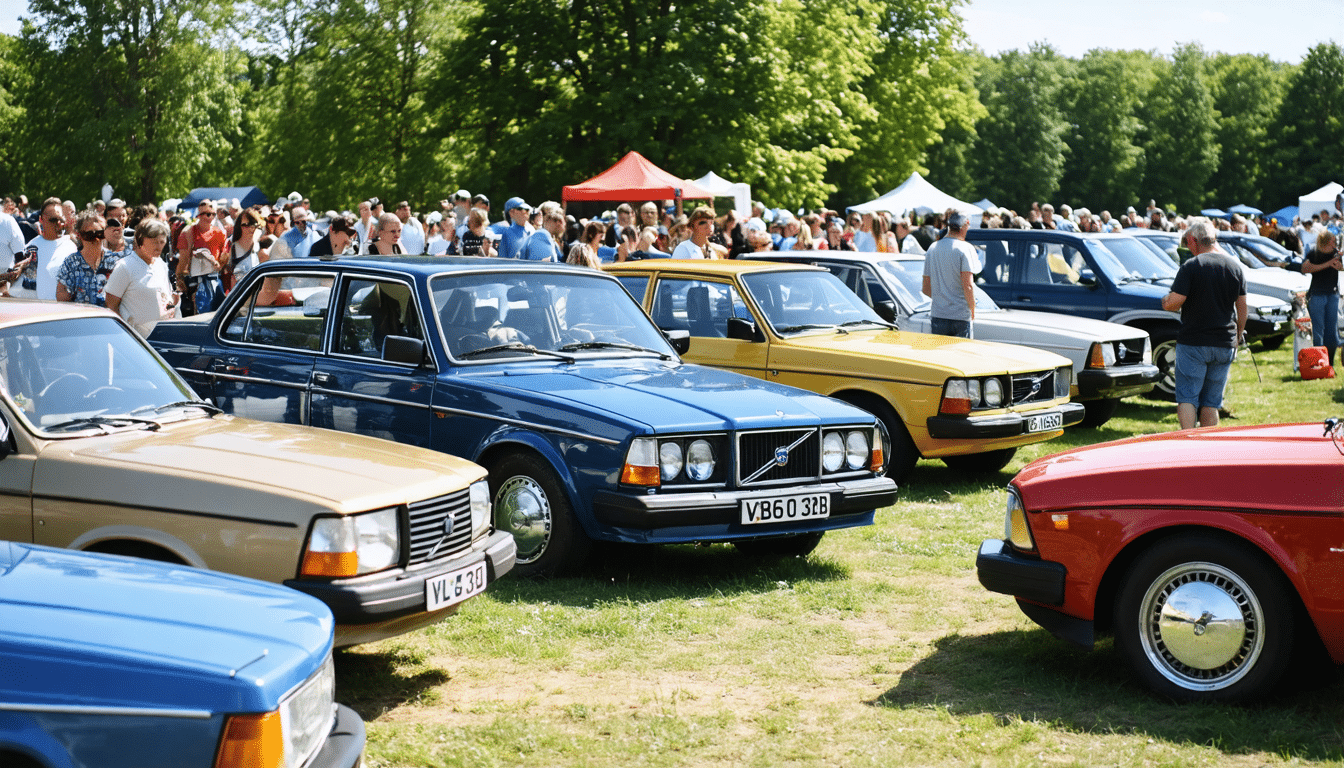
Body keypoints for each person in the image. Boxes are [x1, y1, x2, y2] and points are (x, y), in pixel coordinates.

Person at [1161, 218, 1247, 430]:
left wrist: (1164, 300)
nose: (1187, 248)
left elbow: (1174, 302)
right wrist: (1238, 335)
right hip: (1224, 342)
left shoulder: (1191, 266)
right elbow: (1242, 307)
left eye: (1187, 243)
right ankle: (1208, 445)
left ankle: (1189, 442)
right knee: (1211, 402)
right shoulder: (1234, 266)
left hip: (1194, 342)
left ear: (1193, 240)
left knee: (1188, 397)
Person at [106, 218, 179, 337]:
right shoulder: (125, 267)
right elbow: (111, 305)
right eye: (154, 242)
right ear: (140, 240)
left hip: (163, 335)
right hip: (138, 339)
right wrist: (127, 335)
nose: (159, 247)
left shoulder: (160, 263)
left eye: (162, 242)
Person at [921, 211, 977, 338]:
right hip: (960, 315)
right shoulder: (965, 248)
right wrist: (972, 308)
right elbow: (968, 285)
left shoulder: (932, 248)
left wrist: (941, 299)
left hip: (938, 314)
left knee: (940, 355)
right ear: (965, 225)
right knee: (960, 355)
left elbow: (925, 287)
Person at [12, 197, 77, 300]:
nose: (58, 224)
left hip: (61, 310)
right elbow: (19, 283)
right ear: (41, 220)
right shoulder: (31, 247)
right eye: (53, 220)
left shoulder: (71, 248)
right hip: (36, 310)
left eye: (60, 219)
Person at [56, 210, 122, 306]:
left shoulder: (115, 262)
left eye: (100, 234)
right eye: (90, 235)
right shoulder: (71, 263)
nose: (96, 239)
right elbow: (62, 298)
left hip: (108, 319)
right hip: (82, 318)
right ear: (80, 235)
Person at [175, 200, 228, 315]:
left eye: (213, 214)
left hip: (215, 281)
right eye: (207, 214)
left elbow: (224, 257)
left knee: (217, 315)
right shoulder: (188, 232)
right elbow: (183, 260)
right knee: (200, 316)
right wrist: (179, 278)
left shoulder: (220, 234)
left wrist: (220, 263)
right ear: (199, 215)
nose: (210, 217)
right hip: (196, 282)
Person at [1301, 230, 1341, 367]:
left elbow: (1340, 267)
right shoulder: (1314, 253)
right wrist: (1328, 263)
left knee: (1331, 331)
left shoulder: (1336, 253)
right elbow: (1305, 268)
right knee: (1318, 331)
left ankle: (1329, 363)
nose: (1335, 243)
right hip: (1317, 294)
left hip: (1332, 294)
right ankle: (1318, 363)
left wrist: (1339, 266)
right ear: (1326, 242)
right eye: (1333, 241)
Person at [225, 209, 264, 287]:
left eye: (253, 224)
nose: (250, 228)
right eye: (245, 225)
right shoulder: (231, 247)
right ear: (239, 226)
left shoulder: (258, 246)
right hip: (237, 294)